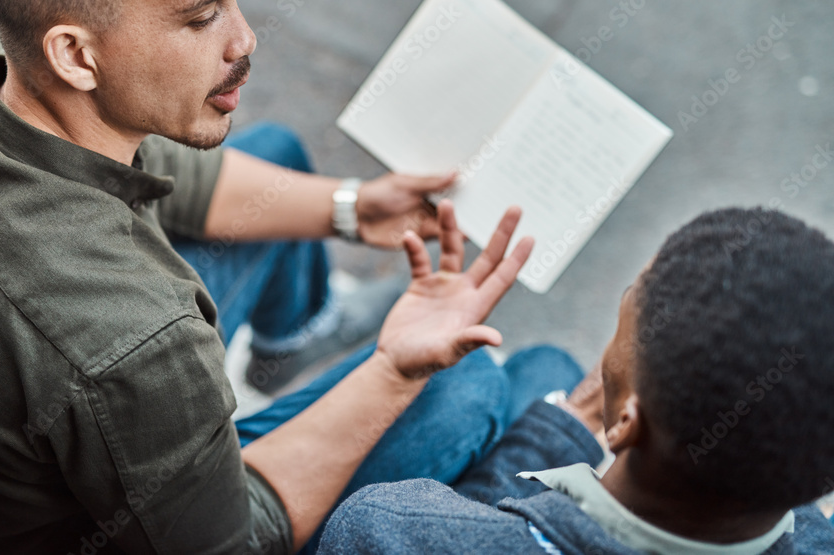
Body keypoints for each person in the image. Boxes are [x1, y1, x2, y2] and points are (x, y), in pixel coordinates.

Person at [0, 0, 584, 552]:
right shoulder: (134, 340)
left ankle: (289, 339)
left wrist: (353, 208)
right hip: (105, 514)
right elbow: (231, 541)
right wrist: (398, 366)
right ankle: (307, 357)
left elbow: (179, 177)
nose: (244, 40)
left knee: (279, 157)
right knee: (476, 386)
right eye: (202, 16)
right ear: (76, 54)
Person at [318, 207, 834, 554]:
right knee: (548, 364)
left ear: (628, 421)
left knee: (514, 373)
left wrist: (566, 422)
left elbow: (479, 531)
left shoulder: (384, 529)